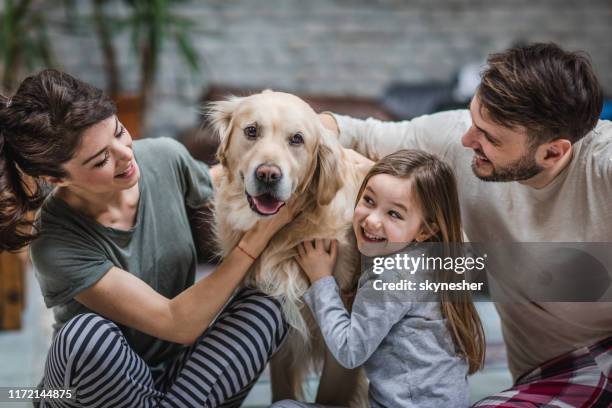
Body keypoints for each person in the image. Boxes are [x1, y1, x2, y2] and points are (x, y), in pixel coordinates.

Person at [319, 43, 612, 406]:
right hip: (543, 378)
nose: (467, 140)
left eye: (490, 137)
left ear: (553, 152)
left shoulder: (602, 168)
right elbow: (352, 131)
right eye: (474, 119)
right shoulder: (460, 138)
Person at [0, 69, 296, 407]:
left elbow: (225, 181)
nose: (126, 155)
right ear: (56, 177)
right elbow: (177, 322)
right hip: (96, 390)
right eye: (101, 159)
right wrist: (254, 242)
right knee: (84, 337)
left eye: (119, 132)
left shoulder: (163, 157)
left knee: (272, 300)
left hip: (183, 381)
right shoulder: (54, 241)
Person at [273, 150, 485, 408]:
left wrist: (321, 280)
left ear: (425, 229)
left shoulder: (394, 277)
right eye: (369, 201)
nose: (372, 220)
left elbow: (349, 352)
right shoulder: (433, 260)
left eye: (394, 214)